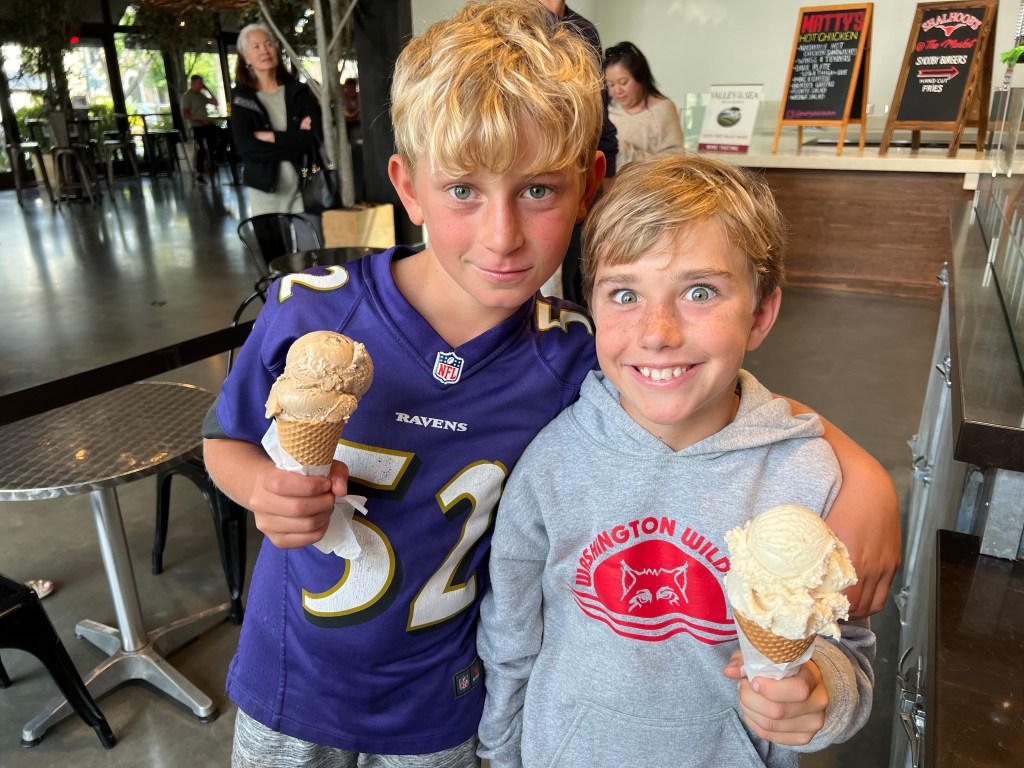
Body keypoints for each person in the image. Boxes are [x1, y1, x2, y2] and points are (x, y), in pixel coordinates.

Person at [203, 1, 893, 764]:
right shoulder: (309, 309)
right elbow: (224, 441)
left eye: (538, 190)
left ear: (589, 183)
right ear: (408, 185)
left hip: (440, 701)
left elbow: (703, 390)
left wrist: (864, 478)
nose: (501, 236)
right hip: (290, 680)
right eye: (462, 190)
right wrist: (261, 487)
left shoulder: (573, 351)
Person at [476, 154, 874, 768]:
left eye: (700, 292)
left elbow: (847, 647)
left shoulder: (807, 477)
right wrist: (502, 754)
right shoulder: (551, 462)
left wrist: (824, 694)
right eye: (625, 294)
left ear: (760, 314)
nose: (657, 332)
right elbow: (511, 635)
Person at [536, 0, 618, 304]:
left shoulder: (583, 30)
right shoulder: (504, 16)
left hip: (579, 172)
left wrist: (606, 187)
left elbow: (599, 115)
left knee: (578, 271)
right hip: (530, 169)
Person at [230, 23, 321, 217]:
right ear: (246, 57)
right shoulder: (242, 98)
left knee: (309, 237)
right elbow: (246, 147)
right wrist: (294, 139)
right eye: (256, 46)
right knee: (270, 238)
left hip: (304, 189)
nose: (265, 50)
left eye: (269, 44)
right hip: (264, 194)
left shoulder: (297, 91)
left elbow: (312, 138)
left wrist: (270, 136)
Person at [604, 41, 685, 166]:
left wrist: (625, 153)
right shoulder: (608, 110)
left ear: (640, 77)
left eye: (623, 82)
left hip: (646, 178)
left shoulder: (663, 109)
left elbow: (675, 161)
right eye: (611, 85)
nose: (617, 91)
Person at [180, 74, 228, 185]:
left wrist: (208, 90)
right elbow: (185, 115)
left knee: (225, 133)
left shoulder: (201, 95)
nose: (201, 85)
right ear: (193, 84)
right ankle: (200, 174)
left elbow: (215, 102)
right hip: (196, 126)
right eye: (199, 83)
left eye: (202, 83)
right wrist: (200, 119)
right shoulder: (187, 96)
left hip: (207, 125)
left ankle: (217, 156)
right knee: (202, 147)